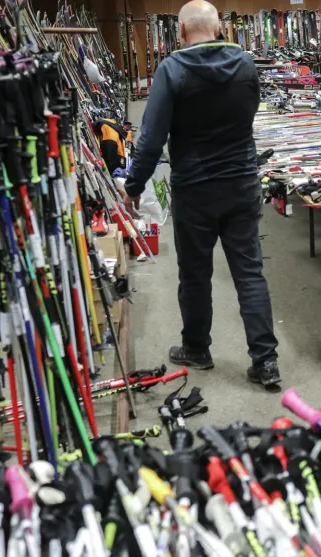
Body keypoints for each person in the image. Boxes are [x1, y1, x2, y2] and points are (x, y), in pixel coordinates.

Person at [122, 0, 282, 388]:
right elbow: (249, 113)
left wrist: (134, 185)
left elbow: (151, 137)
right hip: (242, 181)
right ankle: (266, 361)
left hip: (194, 188)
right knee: (249, 272)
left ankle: (197, 348)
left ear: (180, 32)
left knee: (195, 273)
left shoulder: (172, 69)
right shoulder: (245, 64)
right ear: (220, 26)